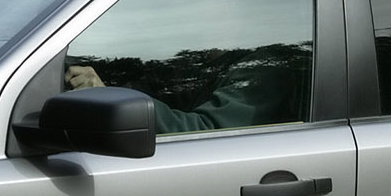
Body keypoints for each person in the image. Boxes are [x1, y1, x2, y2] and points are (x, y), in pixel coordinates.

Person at [65, 58, 299, 134]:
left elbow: (205, 132)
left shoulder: (261, 71)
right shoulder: (212, 63)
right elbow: (170, 91)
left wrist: (112, 98)